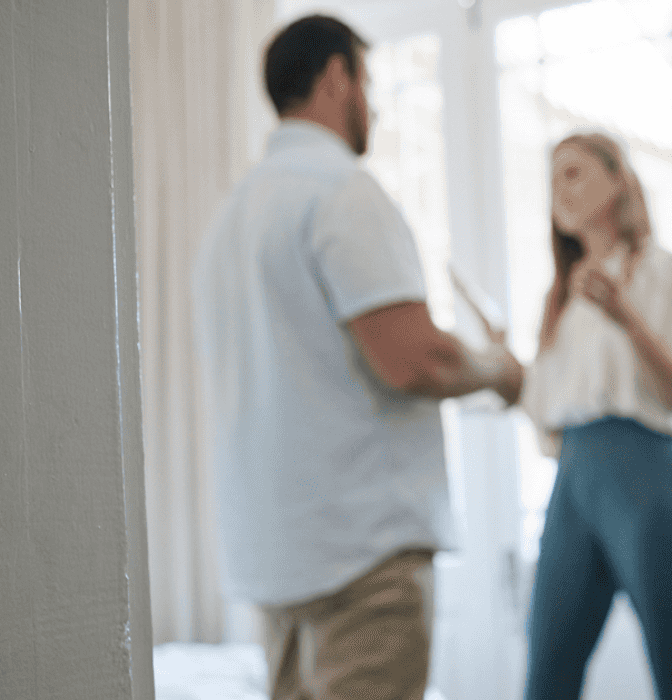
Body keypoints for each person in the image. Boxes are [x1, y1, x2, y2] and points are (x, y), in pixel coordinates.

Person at [191, 15, 522, 700]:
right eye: (368, 82)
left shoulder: (229, 217)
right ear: (336, 78)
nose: (372, 104)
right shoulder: (339, 191)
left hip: (276, 562)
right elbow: (415, 360)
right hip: (360, 561)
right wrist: (502, 370)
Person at [518, 132, 672, 700]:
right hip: (573, 475)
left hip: (643, 470)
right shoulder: (558, 298)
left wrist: (623, 313)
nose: (559, 190)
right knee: (547, 666)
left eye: (573, 173)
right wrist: (511, 365)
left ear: (617, 179)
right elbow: (541, 410)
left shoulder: (662, 273)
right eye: (553, 179)